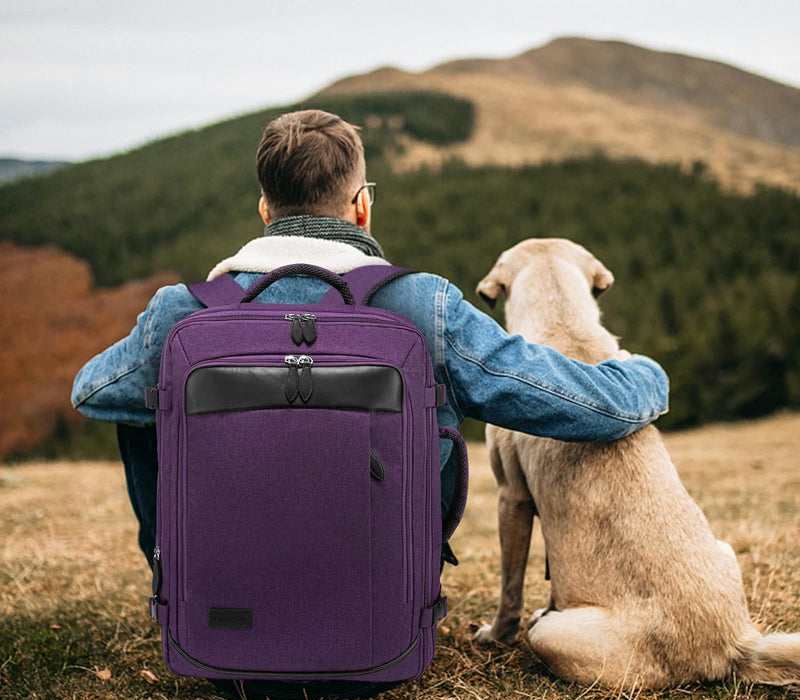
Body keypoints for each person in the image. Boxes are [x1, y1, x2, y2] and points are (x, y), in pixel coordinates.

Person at [72, 108, 669, 569]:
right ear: (361, 208)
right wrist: (644, 374)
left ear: (264, 210)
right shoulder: (420, 305)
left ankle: (177, 569)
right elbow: (573, 402)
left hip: (216, 612)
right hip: (381, 612)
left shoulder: (182, 313)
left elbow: (91, 392)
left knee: (146, 406)